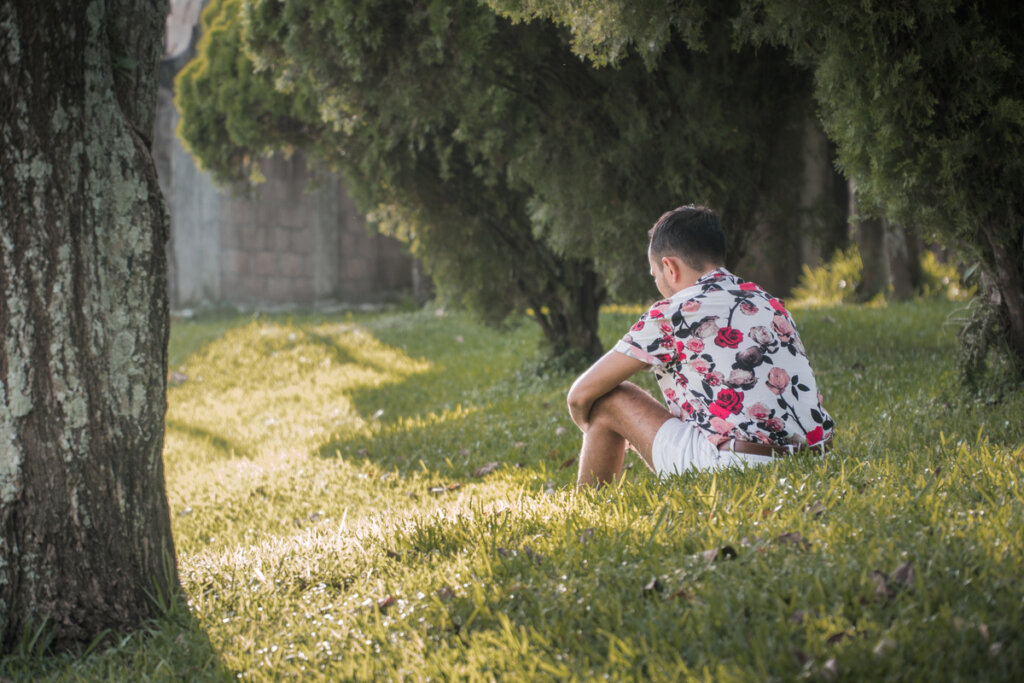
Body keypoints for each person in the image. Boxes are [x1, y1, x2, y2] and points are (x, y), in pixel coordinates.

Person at [567, 204, 835, 487]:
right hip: (813, 461)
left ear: (669, 267)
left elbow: (579, 395)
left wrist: (595, 426)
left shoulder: (674, 312)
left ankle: (589, 508)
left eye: (654, 274)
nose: (657, 282)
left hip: (736, 468)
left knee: (609, 398)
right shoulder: (768, 302)